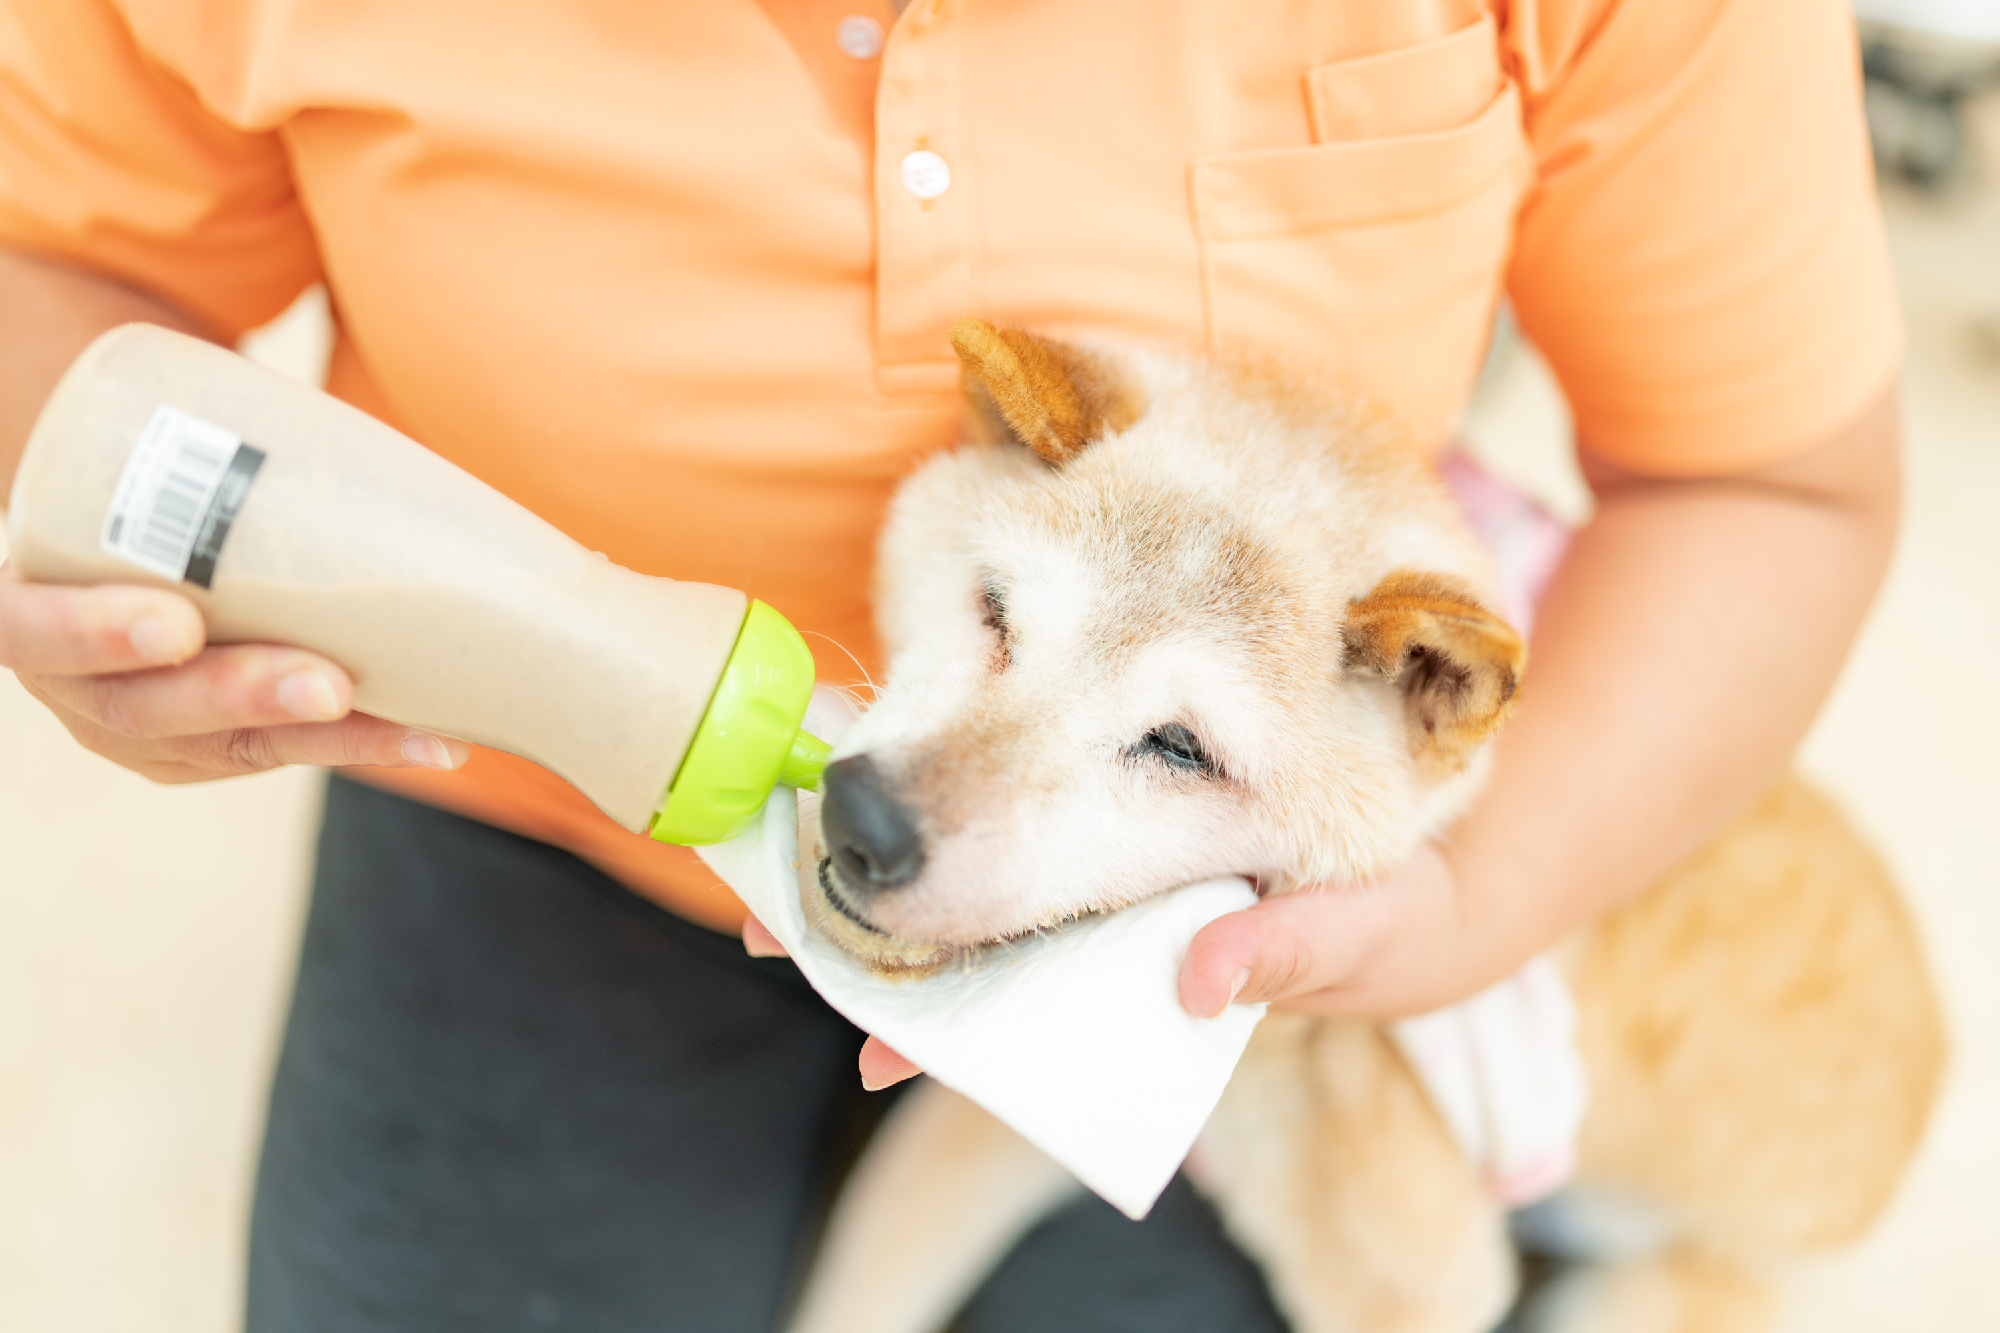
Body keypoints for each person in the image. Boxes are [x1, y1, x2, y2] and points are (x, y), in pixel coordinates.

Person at [0, 1, 1902, 1328]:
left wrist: (1473, 897)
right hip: (533, 799)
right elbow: (49, 262)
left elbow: (1766, 481)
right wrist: (74, 546)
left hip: (1226, 962)